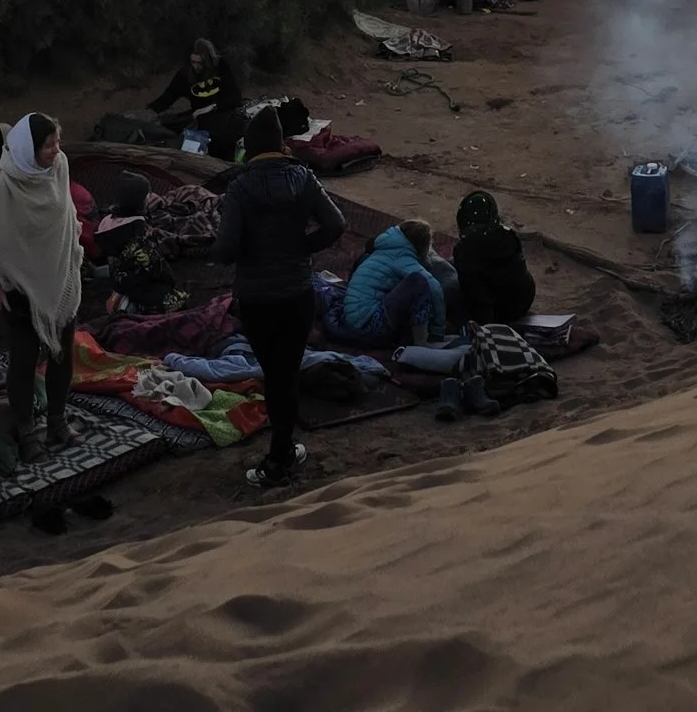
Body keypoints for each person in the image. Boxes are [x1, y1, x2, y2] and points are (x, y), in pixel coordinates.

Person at [211, 103, 349, 491]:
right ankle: (284, 449)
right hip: (297, 292)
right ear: (281, 144)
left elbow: (224, 249)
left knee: (275, 375)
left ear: (251, 148)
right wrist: (304, 247)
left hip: (257, 298)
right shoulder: (303, 179)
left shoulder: (240, 187)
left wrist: (241, 253)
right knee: (286, 372)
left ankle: (278, 459)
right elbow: (336, 223)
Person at [0, 112, 84, 459]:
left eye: (56, 142)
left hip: (58, 276)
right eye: (48, 145)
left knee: (63, 351)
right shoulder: (3, 185)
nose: (55, 150)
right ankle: (26, 430)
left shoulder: (59, 166)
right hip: (17, 286)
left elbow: (67, 213)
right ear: (29, 148)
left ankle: (58, 421)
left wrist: (73, 247)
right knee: (24, 357)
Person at [341, 216, 450, 348]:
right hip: (367, 323)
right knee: (418, 283)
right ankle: (422, 343)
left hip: (353, 319)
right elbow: (435, 288)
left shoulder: (383, 249)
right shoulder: (401, 257)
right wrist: (438, 330)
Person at [451, 190, 536, 326]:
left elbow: (479, 297)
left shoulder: (465, 250)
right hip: (523, 299)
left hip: (497, 311)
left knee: (451, 287)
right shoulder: (509, 236)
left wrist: (485, 328)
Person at [151, 38, 245, 153]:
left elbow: (234, 96)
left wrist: (211, 107)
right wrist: (149, 111)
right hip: (199, 119)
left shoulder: (221, 67)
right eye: (193, 62)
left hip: (222, 114)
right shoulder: (184, 75)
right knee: (168, 125)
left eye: (200, 63)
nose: (196, 66)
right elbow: (167, 98)